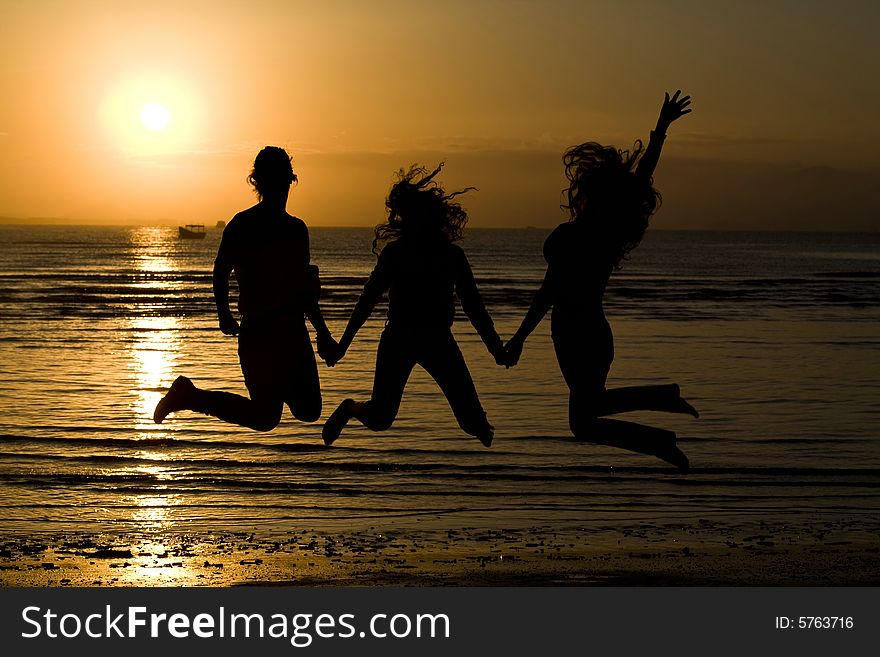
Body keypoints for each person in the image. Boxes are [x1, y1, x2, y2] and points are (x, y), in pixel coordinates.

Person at [502, 91, 698, 469]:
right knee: (587, 416)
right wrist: (660, 130)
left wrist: (519, 339)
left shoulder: (576, 237)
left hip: (575, 334)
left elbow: (548, 292)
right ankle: (663, 420)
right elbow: (642, 179)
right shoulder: (608, 233)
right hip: (591, 331)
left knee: (583, 420)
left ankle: (662, 425)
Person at [322, 163, 504, 447]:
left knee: (472, 423)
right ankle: (351, 408)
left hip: (438, 340)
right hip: (399, 338)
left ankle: (477, 422)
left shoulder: (452, 256)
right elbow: (368, 299)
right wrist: (343, 344)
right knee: (381, 419)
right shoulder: (396, 253)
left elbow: (474, 306)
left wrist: (496, 348)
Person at [153, 146, 335, 431]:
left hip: (290, 332)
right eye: (275, 180)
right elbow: (221, 270)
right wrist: (223, 314)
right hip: (259, 331)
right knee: (265, 417)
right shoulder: (243, 224)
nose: (282, 187)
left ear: (290, 181)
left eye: (285, 180)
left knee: (309, 410)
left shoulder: (296, 230)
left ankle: (273, 382)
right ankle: (189, 396)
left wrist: (323, 334)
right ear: (261, 183)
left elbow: (303, 292)